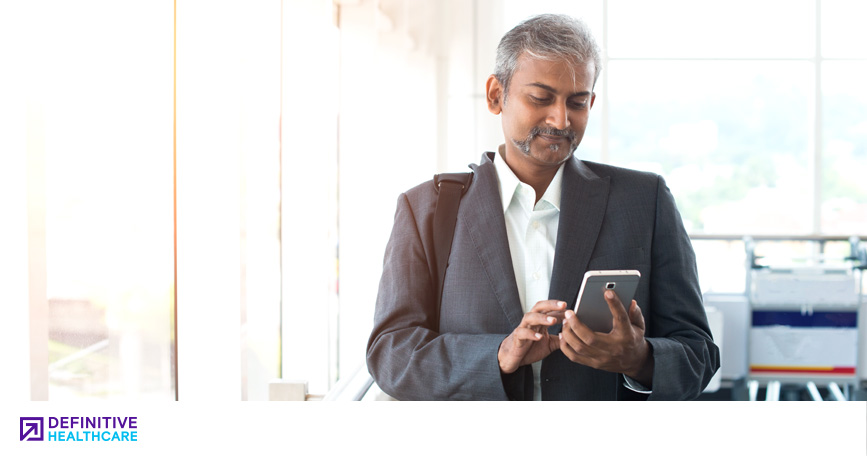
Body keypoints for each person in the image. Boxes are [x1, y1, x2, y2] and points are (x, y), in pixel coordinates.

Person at [366, 13, 719, 400]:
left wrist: (639, 358)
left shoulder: (644, 201)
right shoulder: (426, 210)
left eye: (577, 102)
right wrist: (499, 355)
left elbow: (699, 354)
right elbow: (390, 353)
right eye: (541, 98)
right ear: (496, 96)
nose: (560, 119)